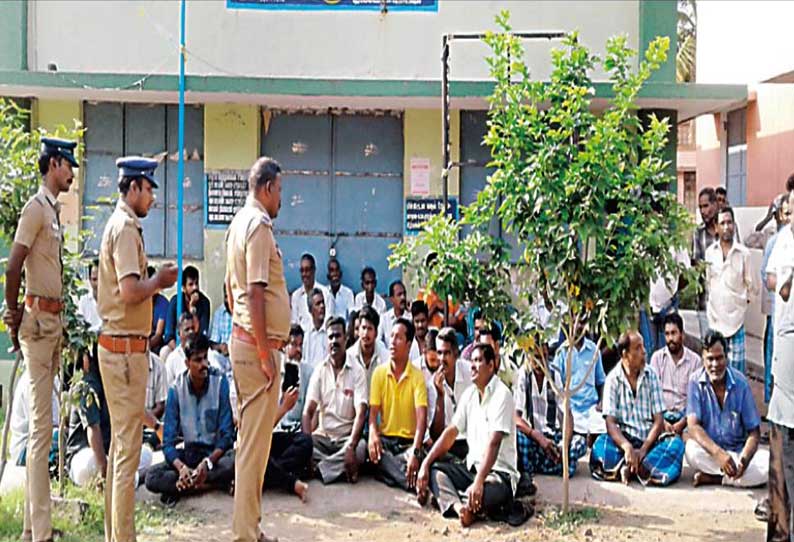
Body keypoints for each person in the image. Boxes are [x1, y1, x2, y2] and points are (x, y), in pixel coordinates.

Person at [96, 156, 178, 542]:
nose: (152, 199)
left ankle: (116, 534)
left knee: (120, 449)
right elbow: (130, 292)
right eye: (148, 190)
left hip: (121, 348)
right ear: (133, 187)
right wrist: (159, 280)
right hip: (124, 351)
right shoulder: (125, 228)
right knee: (128, 454)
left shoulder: (122, 226)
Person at [2, 137, 77, 542]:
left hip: (51, 324)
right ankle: (41, 533)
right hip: (36, 324)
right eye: (68, 165)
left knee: (43, 428)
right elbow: (14, 266)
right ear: (54, 164)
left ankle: (35, 527)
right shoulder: (35, 209)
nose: (71, 173)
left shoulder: (50, 210)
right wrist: (12, 317)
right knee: (40, 430)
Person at [225, 156, 290, 542]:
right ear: (266, 188)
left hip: (246, 341)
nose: (281, 199)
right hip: (256, 351)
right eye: (280, 191)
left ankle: (247, 527)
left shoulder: (238, 223)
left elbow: (233, 292)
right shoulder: (258, 226)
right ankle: (246, 533)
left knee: (252, 444)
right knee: (253, 447)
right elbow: (253, 290)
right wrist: (265, 353)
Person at [417, 343, 524, 527]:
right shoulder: (469, 394)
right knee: (436, 471)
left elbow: (494, 442)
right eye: (471, 360)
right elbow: (450, 432)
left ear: (491, 366)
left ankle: (464, 502)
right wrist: (425, 464)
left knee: (488, 492)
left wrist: (480, 481)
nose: (473, 365)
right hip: (471, 470)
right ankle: (461, 508)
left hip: (498, 475)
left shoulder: (502, 395)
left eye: (478, 360)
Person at [144, 334, 235, 506]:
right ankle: (206, 484)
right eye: (198, 360)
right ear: (187, 363)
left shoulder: (220, 382)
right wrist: (181, 468)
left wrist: (207, 463)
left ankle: (186, 486)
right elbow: (168, 443)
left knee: (234, 461)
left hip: (214, 457)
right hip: (190, 454)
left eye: (205, 358)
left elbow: (226, 436)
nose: (204, 365)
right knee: (152, 477)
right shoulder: (176, 390)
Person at [590, 331, 684, 486]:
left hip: (649, 441)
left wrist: (644, 449)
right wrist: (627, 447)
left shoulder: (651, 375)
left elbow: (659, 420)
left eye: (643, 347)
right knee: (600, 446)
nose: (644, 351)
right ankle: (643, 469)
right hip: (623, 441)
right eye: (638, 348)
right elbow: (611, 423)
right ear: (625, 354)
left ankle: (629, 467)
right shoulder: (612, 379)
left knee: (676, 445)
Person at [685, 331, 767, 488]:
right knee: (690, 451)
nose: (715, 365)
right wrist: (718, 454)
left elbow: (754, 432)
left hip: (737, 453)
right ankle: (731, 477)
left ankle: (716, 478)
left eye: (719, 358)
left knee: (767, 464)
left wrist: (744, 460)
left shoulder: (740, 383)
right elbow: (693, 426)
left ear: (726, 357)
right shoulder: (695, 381)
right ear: (703, 359)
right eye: (710, 359)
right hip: (711, 453)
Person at [66, 350, 153, 488]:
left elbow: (136, 412)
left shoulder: (117, 382)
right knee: (90, 463)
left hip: (110, 453)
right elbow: (93, 429)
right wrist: (105, 472)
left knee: (146, 454)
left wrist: (159, 428)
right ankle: (122, 481)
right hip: (86, 454)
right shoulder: (86, 386)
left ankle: (125, 478)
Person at [763, 188, 794, 540]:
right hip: (785, 346)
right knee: (784, 442)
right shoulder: (782, 241)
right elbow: (771, 280)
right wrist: (784, 280)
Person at [302, 317, 369, 484]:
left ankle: (319, 470)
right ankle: (338, 469)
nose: (334, 341)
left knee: (361, 450)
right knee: (299, 446)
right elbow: (307, 413)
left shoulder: (357, 371)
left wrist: (351, 446)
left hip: (346, 439)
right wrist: (306, 446)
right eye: (330, 337)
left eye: (338, 336)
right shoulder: (319, 370)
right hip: (323, 439)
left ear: (346, 339)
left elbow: (361, 413)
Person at [368, 318, 428, 492]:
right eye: (391, 336)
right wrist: (373, 435)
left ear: (409, 344)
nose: (392, 343)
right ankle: (412, 483)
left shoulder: (417, 377)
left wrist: (415, 453)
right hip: (386, 442)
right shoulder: (379, 373)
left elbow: (421, 421)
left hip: (408, 445)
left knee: (417, 458)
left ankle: (393, 476)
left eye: (399, 338)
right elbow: (372, 415)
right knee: (371, 452)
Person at [705, 207, 759, 374]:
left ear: (734, 225)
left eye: (729, 222)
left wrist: (740, 304)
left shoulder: (744, 254)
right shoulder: (710, 253)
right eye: (722, 223)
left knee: (736, 377)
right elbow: (708, 284)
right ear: (716, 227)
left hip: (736, 325)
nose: (726, 226)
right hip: (715, 323)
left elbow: (753, 288)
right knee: (715, 374)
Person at [514, 354, 585, 478]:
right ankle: (554, 466)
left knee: (580, 442)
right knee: (518, 438)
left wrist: (564, 444)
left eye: (541, 356)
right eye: (535, 356)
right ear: (527, 355)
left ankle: (544, 464)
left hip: (553, 437)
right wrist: (537, 436)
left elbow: (567, 415)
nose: (538, 361)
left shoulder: (554, 375)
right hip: (533, 438)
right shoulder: (523, 374)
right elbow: (515, 418)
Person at [648, 312, 701, 435]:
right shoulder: (657, 358)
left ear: (682, 334)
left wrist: (682, 423)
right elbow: (651, 395)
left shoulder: (695, 361)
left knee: (692, 438)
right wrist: (662, 422)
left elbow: (696, 399)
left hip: (685, 416)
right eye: (667, 334)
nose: (670, 338)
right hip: (661, 415)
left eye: (674, 333)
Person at [760, 193, 790, 403]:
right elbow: (766, 277)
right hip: (779, 314)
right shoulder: (776, 243)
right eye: (787, 213)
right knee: (775, 364)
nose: (789, 217)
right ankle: (771, 405)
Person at [428, 328, 471, 457]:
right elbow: (436, 434)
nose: (441, 359)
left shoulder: (470, 372)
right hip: (449, 444)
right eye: (439, 353)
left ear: (456, 354)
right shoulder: (433, 383)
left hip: (472, 439)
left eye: (446, 353)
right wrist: (440, 396)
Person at [639, 248, 689, 358]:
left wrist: (671, 292)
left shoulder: (676, 242)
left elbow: (686, 274)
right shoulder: (641, 239)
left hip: (669, 306)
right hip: (647, 308)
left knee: (670, 349)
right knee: (649, 350)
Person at [9, 368, 59, 468]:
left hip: (41, 438)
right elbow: (39, 425)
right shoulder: (31, 381)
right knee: (58, 436)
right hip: (24, 447)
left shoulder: (52, 377)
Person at [162, 265, 211, 354]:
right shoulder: (175, 302)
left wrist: (193, 308)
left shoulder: (204, 302)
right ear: (184, 287)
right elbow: (168, 335)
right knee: (164, 351)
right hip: (177, 347)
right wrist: (180, 351)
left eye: (196, 283)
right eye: (191, 284)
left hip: (197, 349)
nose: (195, 288)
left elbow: (201, 334)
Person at [275, 324, 314, 432]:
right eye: (293, 344)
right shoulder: (274, 370)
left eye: (300, 345)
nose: (298, 349)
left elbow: (309, 412)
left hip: (296, 431)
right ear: (284, 347)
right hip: (274, 430)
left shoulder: (308, 373)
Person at [346, 306, 389, 392]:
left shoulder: (386, 358)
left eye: (369, 329)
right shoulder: (348, 356)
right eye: (363, 328)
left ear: (376, 333)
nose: (365, 333)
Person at [291, 253, 334, 333]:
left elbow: (329, 322)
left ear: (314, 270)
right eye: (302, 270)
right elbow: (295, 323)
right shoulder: (296, 296)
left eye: (307, 270)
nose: (304, 274)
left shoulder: (326, 294)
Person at [165, 313, 199, 388]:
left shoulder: (205, 354)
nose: (191, 332)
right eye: (187, 329)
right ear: (179, 333)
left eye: (193, 328)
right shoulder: (172, 359)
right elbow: (168, 389)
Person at [208, 283, 233, 377]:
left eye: (231, 296)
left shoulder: (244, 313)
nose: (228, 300)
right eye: (226, 296)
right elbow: (212, 343)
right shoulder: (219, 313)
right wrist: (220, 347)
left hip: (240, 358)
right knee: (212, 355)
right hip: (223, 359)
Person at [302, 288, 328, 368]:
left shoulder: (330, 331)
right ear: (310, 310)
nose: (322, 306)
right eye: (318, 304)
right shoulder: (305, 332)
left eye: (323, 302)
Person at [379, 280, 410, 347]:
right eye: (399, 294)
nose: (403, 297)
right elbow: (378, 341)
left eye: (404, 294)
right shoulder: (384, 318)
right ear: (391, 299)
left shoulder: (410, 318)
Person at [148, 265, 170, 354]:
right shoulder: (139, 302)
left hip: (155, 343)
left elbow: (158, 334)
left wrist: (146, 346)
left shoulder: (163, 303)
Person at [77, 258, 102, 333]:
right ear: (89, 280)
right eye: (94, 279)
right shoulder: (84, 300)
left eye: (101, 279)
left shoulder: (113, 300)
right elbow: (80, 327)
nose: (98, 283)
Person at [327, 257, 354, 322]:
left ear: (341, 274)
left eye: (337, 270)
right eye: (332, 270)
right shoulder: (324, 292)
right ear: (328, 275)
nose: (335, 274)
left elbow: (352, 315)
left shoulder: (348, 293)